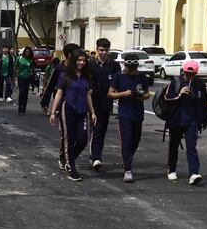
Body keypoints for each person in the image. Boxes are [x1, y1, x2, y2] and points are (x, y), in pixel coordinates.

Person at [49, 49, 97, 182]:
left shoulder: (86, 76)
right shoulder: (65, 76)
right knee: (69, 140)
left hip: (83, 111)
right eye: (79, 60)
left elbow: (88, 95)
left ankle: (67, 158)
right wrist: (53, 112)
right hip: (68, 109)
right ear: (74, 61)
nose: (81, 63)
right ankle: (71, 168)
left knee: (82, 141)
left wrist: (92, 112)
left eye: (84, 60)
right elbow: (59, 94)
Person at [163, 60, 207, 185]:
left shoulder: (199, 84)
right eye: (188, 73)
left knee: (191, 147)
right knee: (173, 145)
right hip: (176, 119)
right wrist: (180, 94)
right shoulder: (176, 81)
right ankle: (171, 169)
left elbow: (203, 103)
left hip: (191, 120)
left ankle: (194, 173)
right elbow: (167, 98)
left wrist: (204, 120)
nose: (190, 76)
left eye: (193, 73)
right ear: (183, 71)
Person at [107, 52, 150, 183]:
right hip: (125, 113)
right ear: (126, 65)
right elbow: (110, 94)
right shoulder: (118, 76)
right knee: (126, 141)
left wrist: (142, 96)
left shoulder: (142, 77)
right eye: (130, 69)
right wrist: (123, 94)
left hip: (138, 113)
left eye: (135, 68)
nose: (132, 71)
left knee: (135, 142)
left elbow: (148, 94)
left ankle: (127, 159)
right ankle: (128, 169)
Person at [88, 38, 121, 171]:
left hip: (107, 104)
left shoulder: (114, 65)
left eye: (106, 50)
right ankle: (96, 157)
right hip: (93, 103)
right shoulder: (90, 64)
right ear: (97, 50)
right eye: (101, 50)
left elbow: (118, 83)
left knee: (102, 131)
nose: (103, 53)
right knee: (96, 129)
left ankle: (95, 156)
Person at [15, 46, 34, 114]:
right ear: (24, 52)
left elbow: (32, 69)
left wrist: (31, 73)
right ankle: (20, 107)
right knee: (22, 92)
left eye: (28, 52)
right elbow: (15, 67)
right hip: (20, 78)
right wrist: (14, 77)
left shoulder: (30, 60)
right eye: (26, 52)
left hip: (27, 78)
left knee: (26, 94)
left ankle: (24, 107)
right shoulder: (19, 58)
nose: (27, 53)